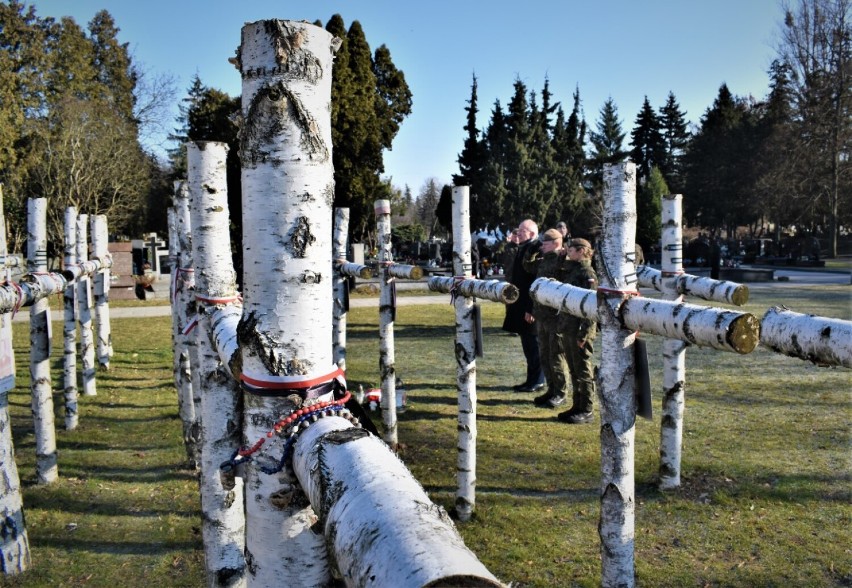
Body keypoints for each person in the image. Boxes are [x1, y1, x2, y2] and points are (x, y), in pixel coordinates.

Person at [523, 228, 569, 408]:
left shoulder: (563, 259)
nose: (543, 246)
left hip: (556, 316)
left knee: (556, 355)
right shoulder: (544, 260)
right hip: (541, 313)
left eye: (546, 243)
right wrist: (532, 249)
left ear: (557, 243)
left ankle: (561, 392)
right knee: (545, 354)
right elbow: (527, 265)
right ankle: (551, 389)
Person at [556, 238, 599, 424]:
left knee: (583, 371)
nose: (567, 252)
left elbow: (591, 306)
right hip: (569, 328)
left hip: (579, 331)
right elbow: (559, 271)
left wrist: (584, 334)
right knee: (573, 370)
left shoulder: (587, 273)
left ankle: (587, 409)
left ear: (581, 251)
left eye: (571, 249)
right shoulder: (574, 269)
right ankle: (577, 406)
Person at [502, 219, 545, 392]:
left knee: (534, 345)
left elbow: (535, 282)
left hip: (530, 305)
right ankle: (530, 380)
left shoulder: (536, 248)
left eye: (522, 230)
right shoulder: (523, 247)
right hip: (519, 304)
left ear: (532, 234)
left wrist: (531, 308)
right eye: (518, 230)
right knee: (527, 345)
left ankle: (538, 380)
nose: (518, 233)